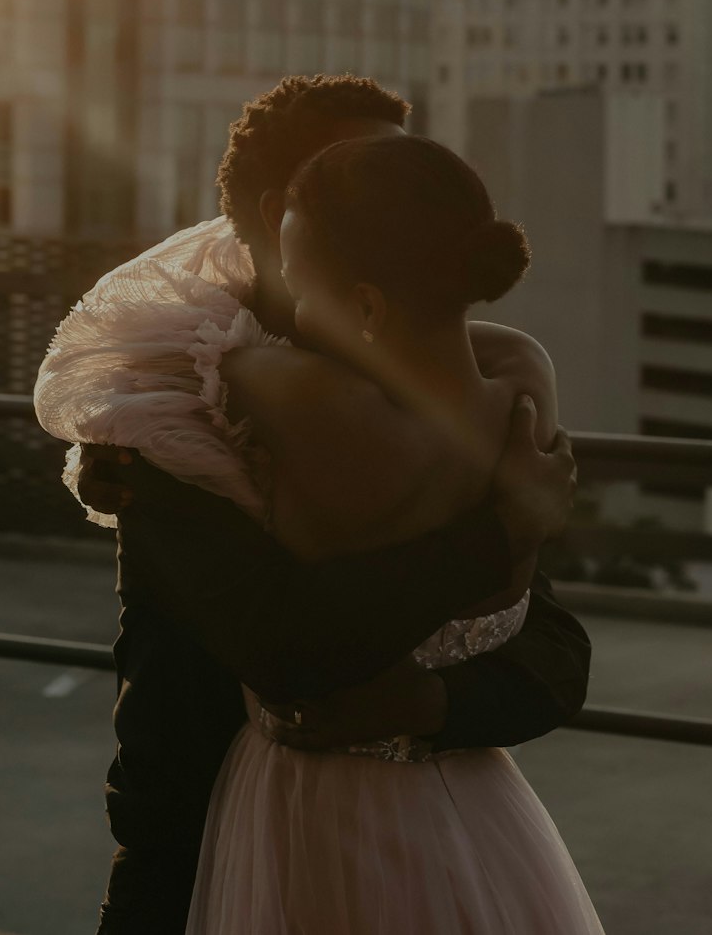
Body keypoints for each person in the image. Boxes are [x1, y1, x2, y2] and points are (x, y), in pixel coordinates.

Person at [34, 75, 587, 934]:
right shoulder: (170, 403)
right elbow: (286, 644)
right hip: (193, 851)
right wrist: (504, 529)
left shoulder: (468, 376)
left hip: (431, 830)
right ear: (279, 207)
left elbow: (549, 642)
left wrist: (435, 707)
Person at [184, 131, 603, 933]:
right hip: (475, 798)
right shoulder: (522, 376)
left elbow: (182, 348)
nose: (291, 316)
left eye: (302, 291)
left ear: (369, 307)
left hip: (320, 803)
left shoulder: (301, 398)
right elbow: (445, 349)